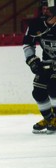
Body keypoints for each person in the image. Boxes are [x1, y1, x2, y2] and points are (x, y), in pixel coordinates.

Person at [23, 0, 56, 134]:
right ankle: (50, 119)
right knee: (38, 92)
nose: (44, 11)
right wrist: (32, 60)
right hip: (47, 62)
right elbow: (27, 44)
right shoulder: (35, 25)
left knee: (54, 87)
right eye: (42, 8)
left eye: (47, 8)